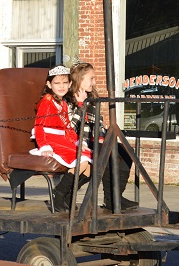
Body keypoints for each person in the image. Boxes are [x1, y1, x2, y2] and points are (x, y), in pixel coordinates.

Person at [67, 62, 138, 212]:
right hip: (78, 143)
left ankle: (115, 197)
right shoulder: (69, 99)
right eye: (91, 78)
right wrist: (80, 105)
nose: (94, 82)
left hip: (93, 141)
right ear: (80, 79)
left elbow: (98, 124)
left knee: (126, 152)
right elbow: (72, 128)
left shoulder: (92, 98)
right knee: (105, 154)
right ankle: (110, 199)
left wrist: (101, 137)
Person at [30, 65, 92, 212]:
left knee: (90, 167)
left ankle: (68, 195)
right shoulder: (47, 100)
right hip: (51, 141)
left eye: (64, 83)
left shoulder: (62, 102)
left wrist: (79, 141)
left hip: (64, 141)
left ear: (70, 84)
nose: (61, 86)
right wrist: (44, 145)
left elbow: (68, 128)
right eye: (57, 83)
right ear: (49, 84)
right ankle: (59, 194)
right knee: (82, 161)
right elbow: (39, 125)